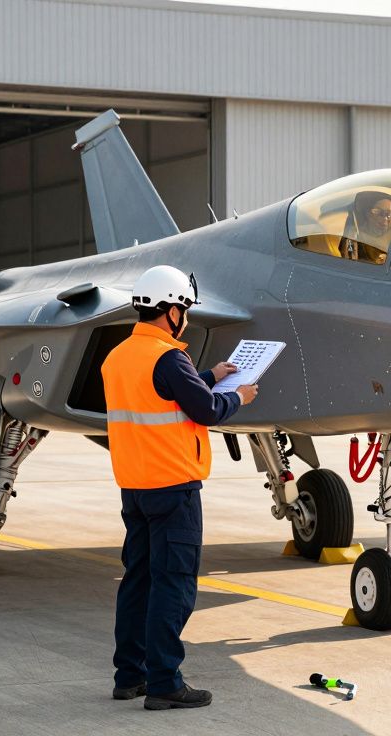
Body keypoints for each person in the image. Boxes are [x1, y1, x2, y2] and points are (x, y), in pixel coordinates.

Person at [102, 265, 258, 711]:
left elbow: (163, 393)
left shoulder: (119, 357)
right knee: (174, 586)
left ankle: (129, 676)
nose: (185, 318)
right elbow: (206, 410)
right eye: (184, 310)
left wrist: (209, 373)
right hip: (173, 488)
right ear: (171, 311)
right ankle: (165, 682)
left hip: (135, 488)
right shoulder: (169, 358)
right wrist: (238, 396)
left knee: (138, 582)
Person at [337, 190, 391, 264]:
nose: (385, 218)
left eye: (388, 213)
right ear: (366, 213)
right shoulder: (354, 237)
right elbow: (351, 264)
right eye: (377, 211)